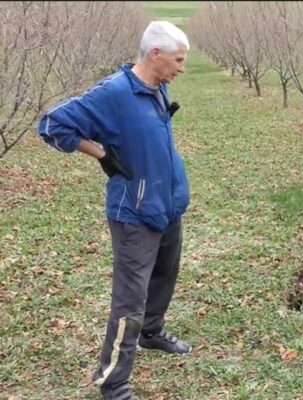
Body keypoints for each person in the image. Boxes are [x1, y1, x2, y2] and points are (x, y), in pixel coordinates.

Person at [38, 20, 192, 400]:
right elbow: (52, 125)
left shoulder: (157, 87)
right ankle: (113, 383)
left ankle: (152, 334)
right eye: (178, 59)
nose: (182, 67)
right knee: (130, 302)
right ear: (155, 54)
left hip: (166, 208)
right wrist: (102, 154)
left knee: (164, 277)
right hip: (135, 216)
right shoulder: (114, 93)